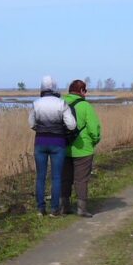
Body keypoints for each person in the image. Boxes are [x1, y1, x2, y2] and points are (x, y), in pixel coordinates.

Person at [29, 75, 77, 216]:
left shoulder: (36, 104)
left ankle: (40, 208)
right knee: (56, 177)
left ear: (42, 88)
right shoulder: (61, 104)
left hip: (40, 142)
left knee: (40, 177)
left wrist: (42, 128)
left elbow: (31, 124)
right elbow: (72, 125)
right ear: (55, 88)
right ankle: (55, 209)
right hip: (58, 143)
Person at [62, 79, 102, 217]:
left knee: (65, 178)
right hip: (83, 149)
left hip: (63, 147)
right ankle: (82, 209)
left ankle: (64, 206)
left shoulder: (61, 103)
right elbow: (93, 128)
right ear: (82, 91)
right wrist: (94, 141)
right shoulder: (86, 106)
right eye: (85, 91)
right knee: (81, 180)